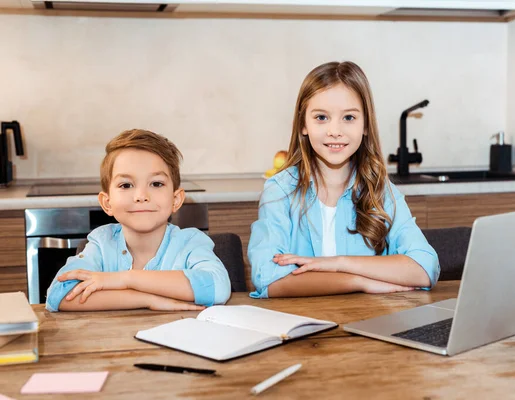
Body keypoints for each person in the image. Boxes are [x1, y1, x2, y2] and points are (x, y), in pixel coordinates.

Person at [248, 61, 439, 299]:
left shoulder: (380, 190)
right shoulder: (280, 191)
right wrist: (358, 282)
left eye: (349, 117)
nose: (335, 130)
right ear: (303, 124)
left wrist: (337, 263)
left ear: (366, 125)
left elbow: (424, 268)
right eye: (321, 117)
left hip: (367, 323)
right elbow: (268, 279)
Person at [46, 129, 231, 312]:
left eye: (156, 184)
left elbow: (218, 287)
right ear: (107, 203)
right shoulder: (102, 243)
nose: (141, 196)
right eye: (126, 185)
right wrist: (148, 300)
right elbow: (59, 295)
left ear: (175, 200)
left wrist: (125, 279)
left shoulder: (190, 243)